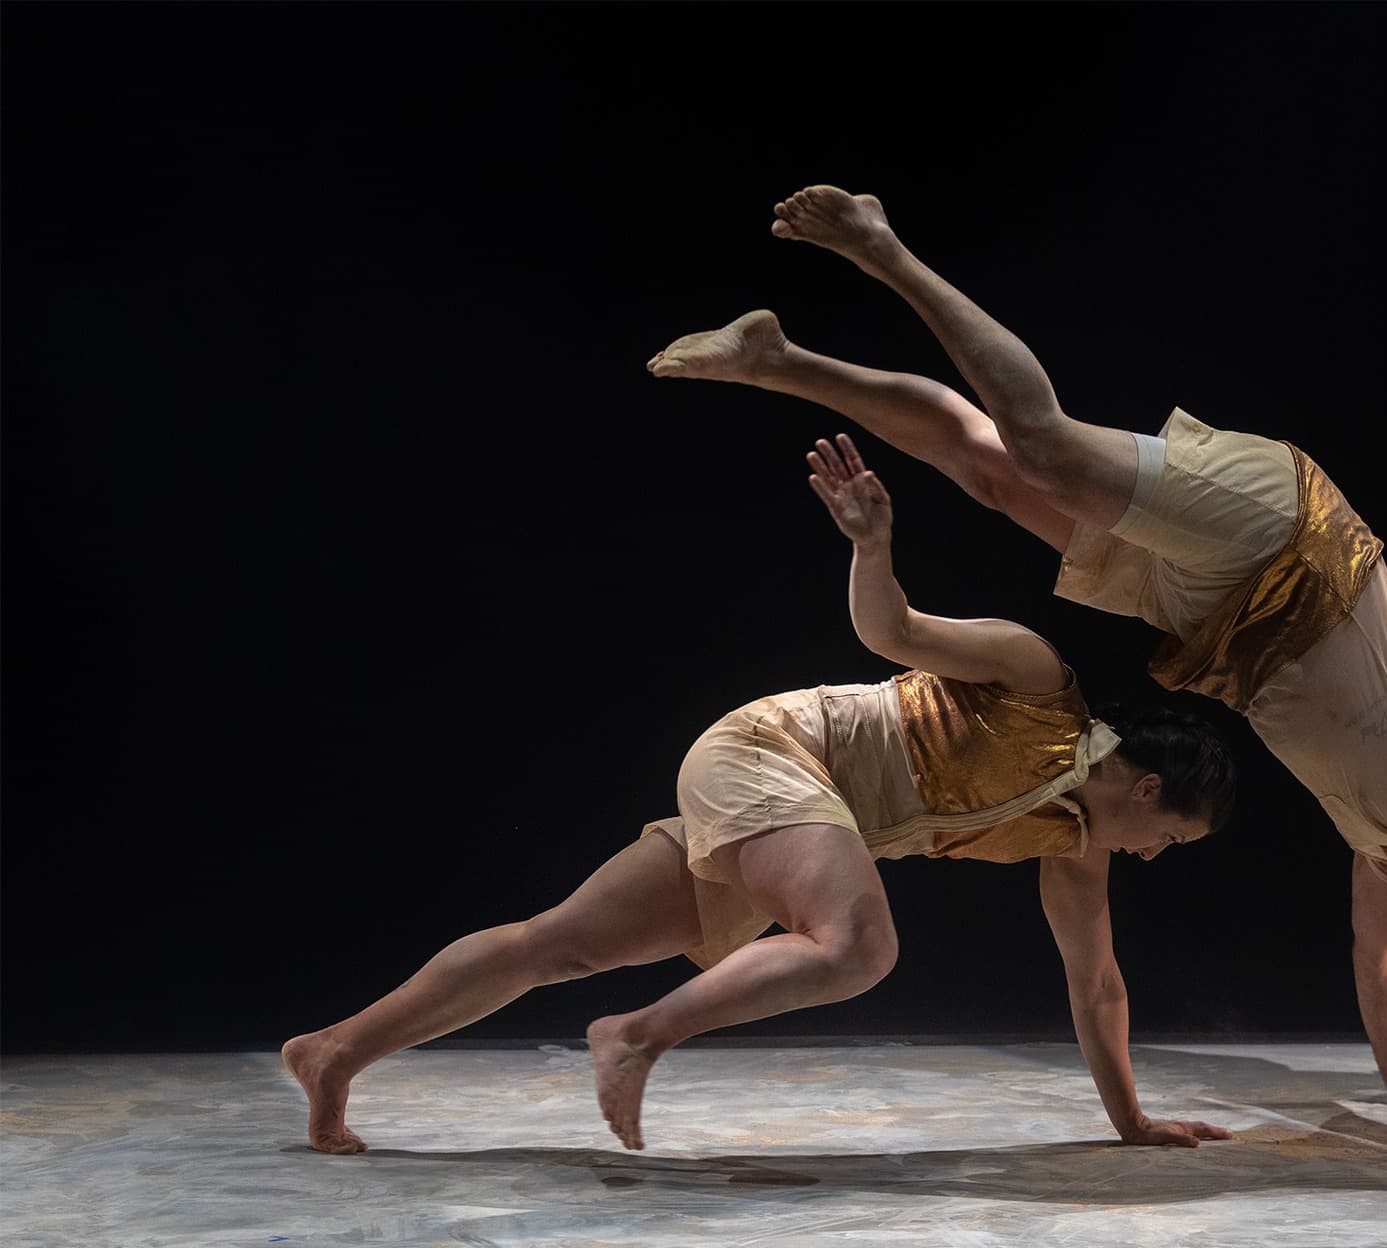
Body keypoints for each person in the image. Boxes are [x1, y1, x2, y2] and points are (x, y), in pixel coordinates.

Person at [644, 185, 1387, 1194]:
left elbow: (1381, 956)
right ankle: (881, 246)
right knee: (1041, 440)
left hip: (1214, 622)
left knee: (988, 467)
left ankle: (777, 359)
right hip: (1293, 546)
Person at [282, 434, 1237, 1156]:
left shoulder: (1071, 848)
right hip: (774, 751)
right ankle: (635, 1035)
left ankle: (334, 1054)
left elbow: (1096, 983)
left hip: (794, 815)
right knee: (860, 945)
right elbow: (891, 630)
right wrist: (873, 545)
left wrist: (1133, 1122)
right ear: (1149, 785)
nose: (1152, 855)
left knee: (557, 943)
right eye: (1170, 837)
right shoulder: (1036, 679)